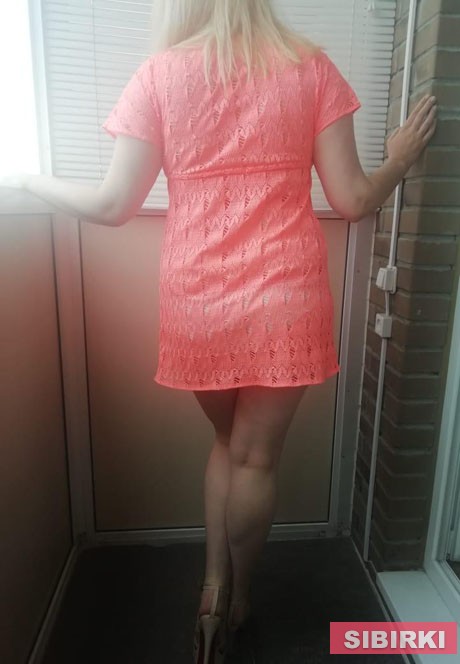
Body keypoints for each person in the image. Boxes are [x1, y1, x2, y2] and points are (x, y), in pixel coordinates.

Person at [0, 1, 437, 662]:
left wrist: (29, 178)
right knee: (255, 459)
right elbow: (351, 200)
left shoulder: (159, 76)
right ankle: (238, 600)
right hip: (284, 298)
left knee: (227, 442)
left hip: (199, 301)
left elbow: (113, 204)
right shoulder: (309, 68)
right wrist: (398, 159)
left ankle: (210, 592)